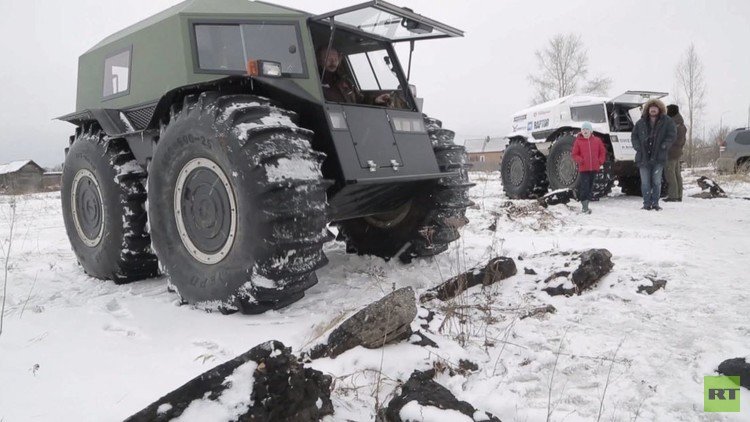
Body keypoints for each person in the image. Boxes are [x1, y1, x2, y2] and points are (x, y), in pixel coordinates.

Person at [631, 99, 676, 211]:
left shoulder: (667, 121)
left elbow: (672, 134)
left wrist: (665, 145)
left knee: (656, 182)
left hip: (658, 157)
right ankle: (646, 204)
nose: (653, 109)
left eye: (655, 107)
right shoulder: (640, 122)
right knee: (645, 182)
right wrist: (638, 147)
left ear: (659, 109)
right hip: (643, 157)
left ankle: (655, 203)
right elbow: (634, 136)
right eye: (651, 107)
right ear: (648, 109)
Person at [317, 47, 390, 105]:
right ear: (320, 60)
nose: (333, 62)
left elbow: (360, 101)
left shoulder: (346, 82)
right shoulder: (316, 81)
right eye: (328, 58)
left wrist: (375, 100)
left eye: (335, 59)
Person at [572, 121, 606, 214]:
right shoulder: (578, 141)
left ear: (590, 131)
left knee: (590, 186)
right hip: (584, 168)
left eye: (587, 129)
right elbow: (574, 154)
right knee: (585, 187)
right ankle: (584, 207)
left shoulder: (597, 141)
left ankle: (586, 203)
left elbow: (602, 152)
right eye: (583, 129)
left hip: (594, 168)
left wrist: (600, 161)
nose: (585, 131)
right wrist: (580, 160)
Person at [664, 104, 687, 202]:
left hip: (670, 153)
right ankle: (679, 195)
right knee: (677, 174)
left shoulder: (672, 124)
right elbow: (683, 140)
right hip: (677, 152)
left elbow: (670, 138)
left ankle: (673, 196)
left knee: (670, 175)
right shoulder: (681, 124)